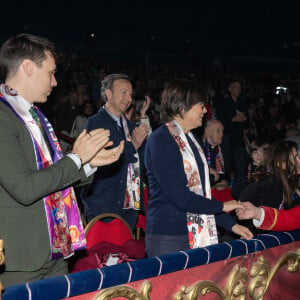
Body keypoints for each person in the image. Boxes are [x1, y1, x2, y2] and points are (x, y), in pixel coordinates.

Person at [0, 34, 124, 287]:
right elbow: (25, 188)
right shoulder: (4, 117)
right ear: (28, 67)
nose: (55, 82)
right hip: (21, 258)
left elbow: (55, 176)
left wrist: (89, 164)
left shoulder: (34, 116)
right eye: (51, 73)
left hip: (55, 247)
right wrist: (77, 158)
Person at [144, 79, 253, 257]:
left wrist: (232, 225)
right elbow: (181, 197)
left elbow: (202, 197)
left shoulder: (192, 141)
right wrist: (221, 206)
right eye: (201, 105)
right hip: (170, 235)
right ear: (182, 107)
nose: (205, 110)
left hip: (195, 229)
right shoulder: (161, 140)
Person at [80, 73, 149, 230]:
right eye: (123, 92)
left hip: (129, 204)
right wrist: (134, 146)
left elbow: (145, 162)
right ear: (109, 94)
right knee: (103, 253)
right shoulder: (95, 123)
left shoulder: (131, 127)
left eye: (130, 94)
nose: (129, 99)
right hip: (103, 203)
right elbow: (102, 161)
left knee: (125, 253)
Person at [238, 140, 300, 235]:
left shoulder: (289, 183)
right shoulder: (271, 187)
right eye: (295, 158)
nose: (299, 161)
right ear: (281, 164)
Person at [216, 80, 249, 199]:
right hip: (227, 138)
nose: (238, 89)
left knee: (241, 166)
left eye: (240, 87)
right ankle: (226, 193)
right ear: (230, 88)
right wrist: (234, 119)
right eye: (236, 87)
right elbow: (222, 119)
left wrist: (237, 119)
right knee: (227, 165)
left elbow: (246, 119)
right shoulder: (224, 103)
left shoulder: (242, 102)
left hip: (239, 138)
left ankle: (238, 194)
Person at [202, 119, 227, 187]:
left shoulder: (222, 150)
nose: (222, 134)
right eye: (218, 131)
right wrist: (207, 169)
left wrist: (224, 181)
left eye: (222, 131)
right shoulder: (199, 149)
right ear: (207, 132)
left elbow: (225, 173)